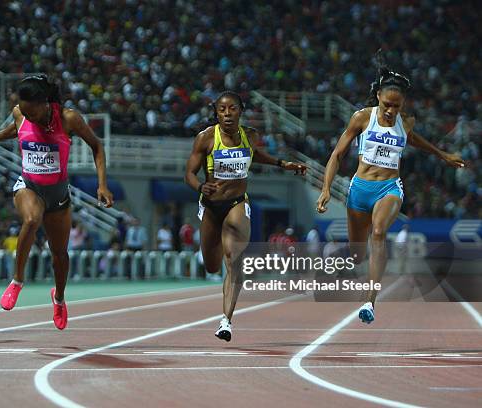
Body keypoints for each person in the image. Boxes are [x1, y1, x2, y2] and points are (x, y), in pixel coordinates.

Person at [316, 56, 466, 324]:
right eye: (386, 105)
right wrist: (326, 189)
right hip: (359, 188)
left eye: (396, 107)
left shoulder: (405, 122)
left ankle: (369, 302)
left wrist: (442, 154)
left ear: (403, 104)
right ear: (377, 97)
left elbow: (413, 139)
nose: (390, 111)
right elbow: (337, 154)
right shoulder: (362, 117)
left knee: (379, 231)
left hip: (389, 187)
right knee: (357, 253)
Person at [0, 74, 113, 330]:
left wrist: (102, 184)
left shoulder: (68, 118)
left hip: (58, 194)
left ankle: (60, 298)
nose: (28, 116)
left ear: (45, 103)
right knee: (31, 219)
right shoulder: (21, 113)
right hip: (29, 185)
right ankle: (17, 281)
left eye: (33, 112)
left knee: (60, 255)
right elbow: (17, 127)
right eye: (25, 111)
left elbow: (97, 147)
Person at [184, 91, 306, 341]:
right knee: (211, 265)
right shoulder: (206, 138)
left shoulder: (249, 136)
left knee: (233, 260)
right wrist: (199, 186)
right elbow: (188, 173)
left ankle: (226, 321)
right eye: (222, 110)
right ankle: (223, 295)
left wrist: (284, 164)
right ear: (216, 113)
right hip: (210, 206)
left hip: (237, 203)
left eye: (232, 109)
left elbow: (255, 155)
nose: (227, 114)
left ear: (241, 110)